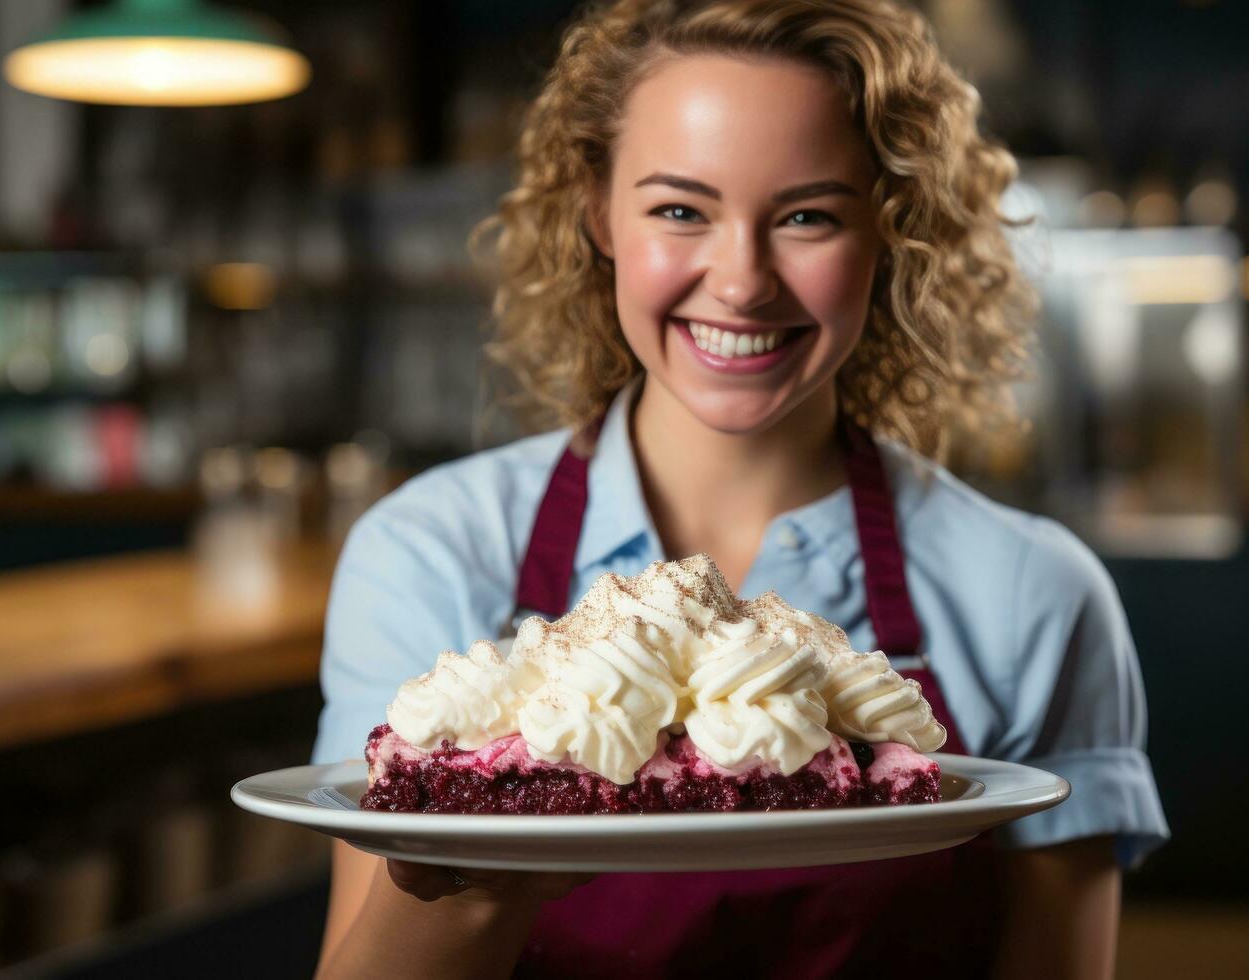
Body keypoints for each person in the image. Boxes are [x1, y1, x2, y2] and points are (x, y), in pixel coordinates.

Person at [311, 1, 1169, 977]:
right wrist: (496, 843)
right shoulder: (428, 554)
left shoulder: (1032, 593)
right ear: (599, 210)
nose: (742, 281)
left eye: (807, 215)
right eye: (681, 209)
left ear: (889, 230)